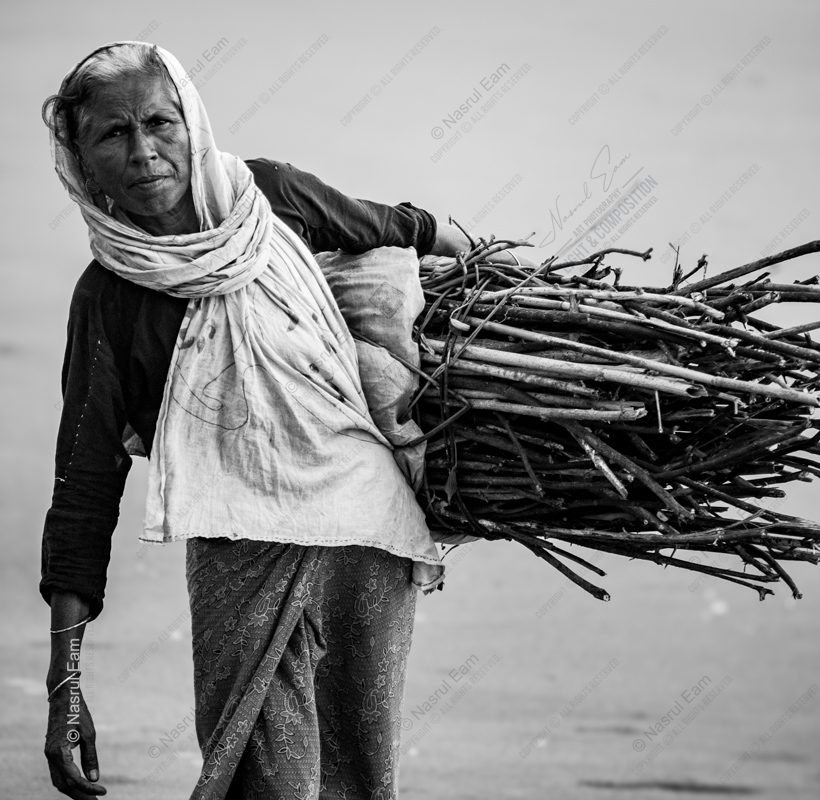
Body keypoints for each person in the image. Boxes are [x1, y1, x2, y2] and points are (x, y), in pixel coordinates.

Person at [40, 41, 503, 800]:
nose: (145, 150)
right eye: (112, 134)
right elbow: (85, 486)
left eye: (160, 122)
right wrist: (65, 684)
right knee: (265, 782)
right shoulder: (108, 299)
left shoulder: (271, 200)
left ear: (193, 123)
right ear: (82, 164)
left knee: (359, 777)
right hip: (240, 555)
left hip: (361, 534)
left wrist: (463, 250)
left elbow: (381, 224)